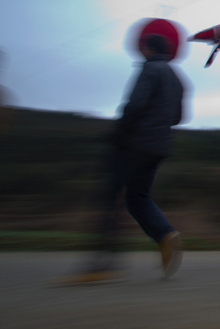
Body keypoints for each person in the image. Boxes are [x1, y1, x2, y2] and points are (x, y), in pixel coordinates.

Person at [59, 34, 185, 283]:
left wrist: (115, 134)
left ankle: (101, 262)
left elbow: (134, 105)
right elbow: (178, 117)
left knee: (108, 197)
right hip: (158, 148)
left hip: (133, 145)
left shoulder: (150, 69)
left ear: (148, 48)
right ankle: (165, 234)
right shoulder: (178, 79)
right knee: (137, 198)